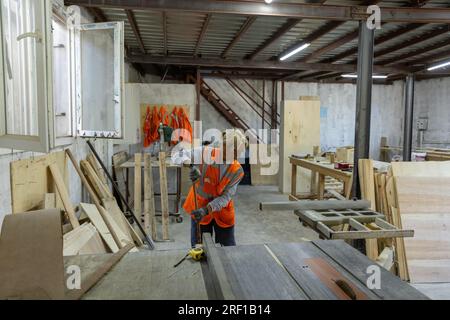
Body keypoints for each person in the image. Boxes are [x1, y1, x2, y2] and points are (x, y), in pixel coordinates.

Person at [177, 129, 247, 247]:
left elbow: (226, 197)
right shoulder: (206, 153)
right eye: (233, 151)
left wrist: (207, 209)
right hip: (198, 207)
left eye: (238, 153)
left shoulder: (237, 170)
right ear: (223, 145)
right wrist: (191, 165)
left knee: (228, 251)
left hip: (222, 213)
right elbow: (178, 154)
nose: (236, 156)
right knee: (200, 250)